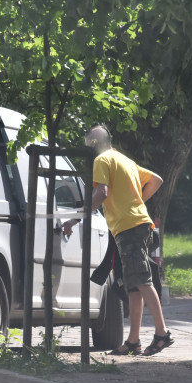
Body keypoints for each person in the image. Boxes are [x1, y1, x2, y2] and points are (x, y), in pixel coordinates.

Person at [64, 125, 171, 356]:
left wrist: (75, 219)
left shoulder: (102, 160)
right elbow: (157, 180)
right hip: (136, 224)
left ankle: (162, 333)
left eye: (88, 143)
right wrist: (137, 202)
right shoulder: (125, 160)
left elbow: (101, 193)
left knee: (142, 280)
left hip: (129, 227)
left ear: (94, 143)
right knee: (133, 286)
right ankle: (133, 341)